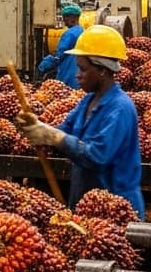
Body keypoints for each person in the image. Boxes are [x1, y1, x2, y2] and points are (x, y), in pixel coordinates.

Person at [16, 25, 144, 218]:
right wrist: (37, 129)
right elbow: (65, 130)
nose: (77, 75)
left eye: (83, 69)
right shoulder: (87, 101)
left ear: (102, 69)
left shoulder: (120, 108)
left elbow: (97, 156)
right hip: (87, 207)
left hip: (116, 211)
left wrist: (55, 137)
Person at [36, 4, 85, 89]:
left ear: (71, 18)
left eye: (65, 17)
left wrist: (43, 65)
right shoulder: (82, 31)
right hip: (79, 74)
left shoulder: (70, 34)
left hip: (68, 76)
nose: (64, 20)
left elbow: (59, 55)